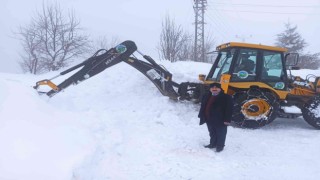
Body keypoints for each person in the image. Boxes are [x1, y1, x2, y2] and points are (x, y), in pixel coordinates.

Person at [198, 82, 233, 152]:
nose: (214, 89)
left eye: (216, 87)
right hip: (208, 118)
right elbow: (203, 106)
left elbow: (229, 109)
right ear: (210, 89)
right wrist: (201, 114)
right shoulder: (206, 95)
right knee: (212, 132)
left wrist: (227, 120)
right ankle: (212, 144)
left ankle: (220, 146)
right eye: (212, 87)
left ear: (220, 89)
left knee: (221, 133)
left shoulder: (226, 97)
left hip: (220, 120)